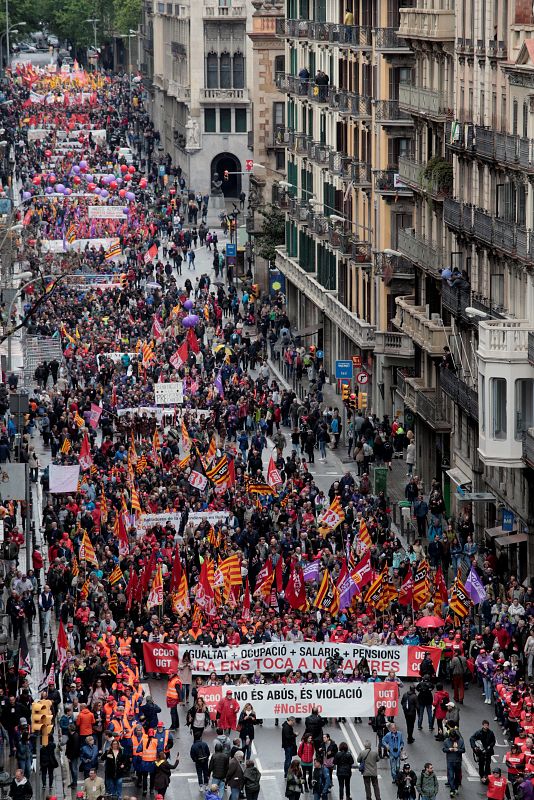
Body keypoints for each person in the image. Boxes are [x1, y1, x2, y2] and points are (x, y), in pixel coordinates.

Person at [442, 729, 465, 798]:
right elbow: (443, 749)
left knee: (457, 776)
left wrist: (457, 750)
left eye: (454, 737)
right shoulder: (446, 741)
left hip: (458, 761)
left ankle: (456, 788)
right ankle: (452, 790)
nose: (453, 738)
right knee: (451, 776)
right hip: (450, 761)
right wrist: (449, 749)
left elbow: (463, 750)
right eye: (451, 737)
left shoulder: (460, 741)